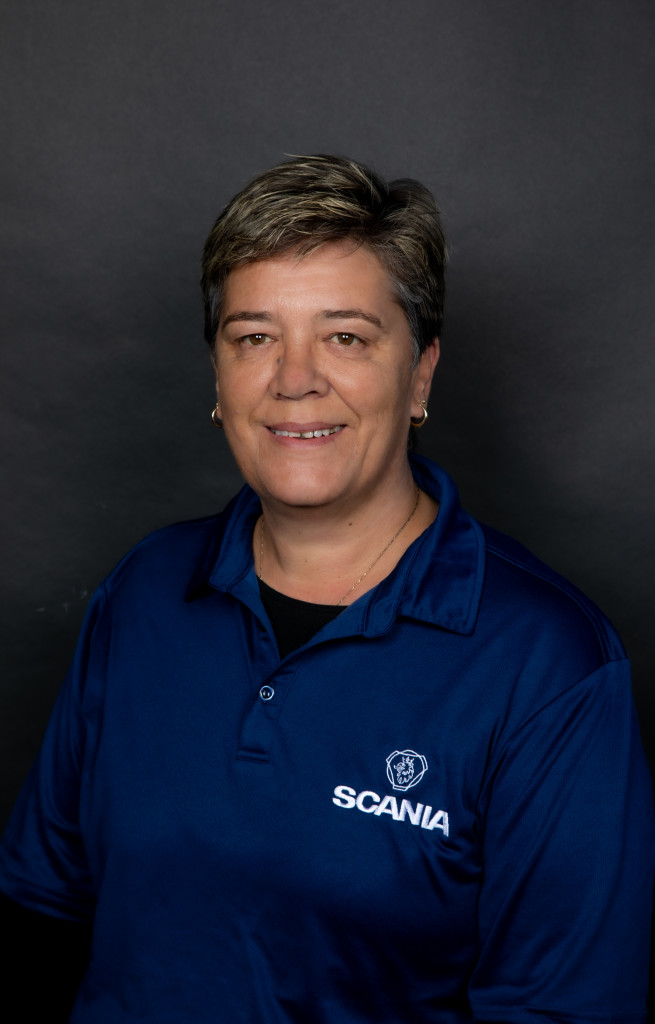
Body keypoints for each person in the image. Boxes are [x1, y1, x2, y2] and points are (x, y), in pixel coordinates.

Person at [1, 154, 653, 1022]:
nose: (294, 378)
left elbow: (560, 1010)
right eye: (254, 337)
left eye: (344, 336)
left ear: (419, 373)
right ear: (218, 377)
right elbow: (44, 907)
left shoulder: (548, 662)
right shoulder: (146, 589)